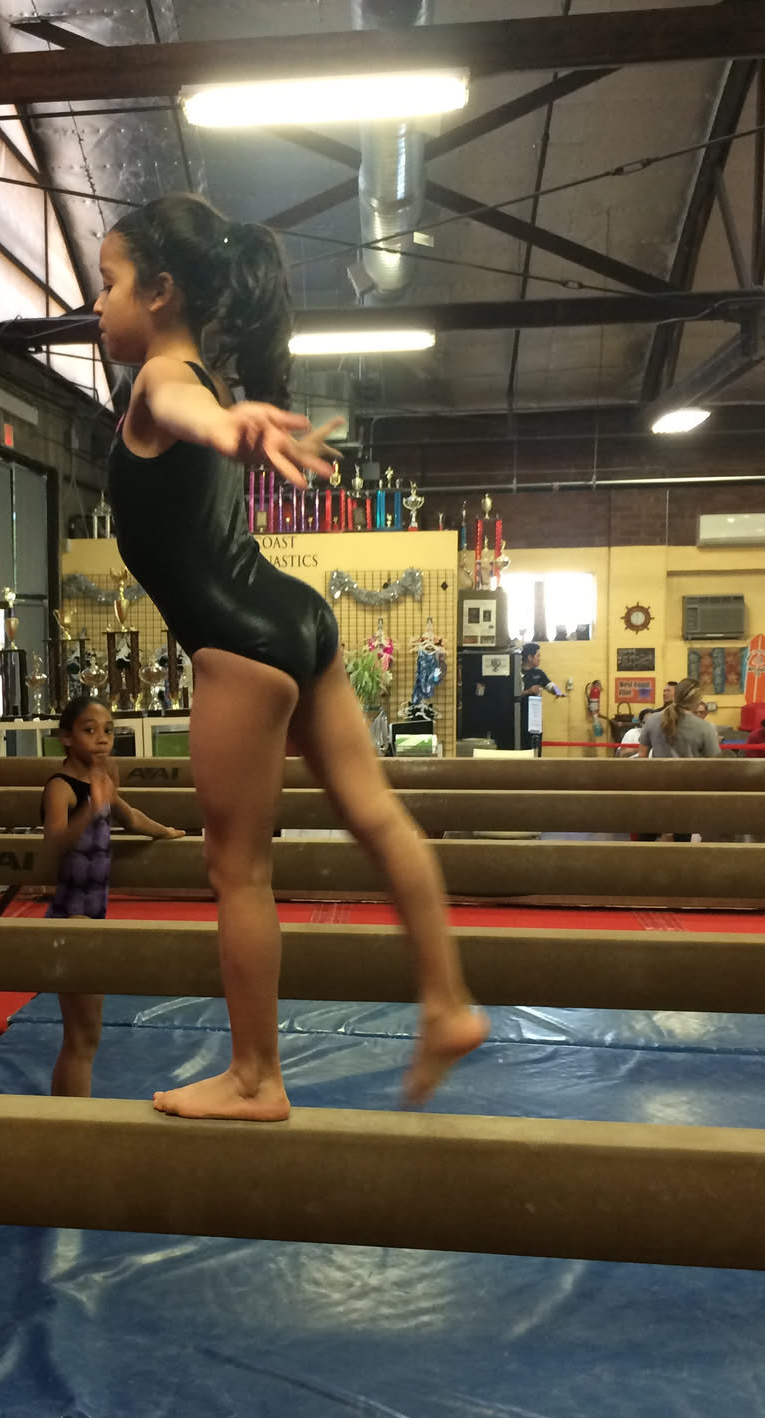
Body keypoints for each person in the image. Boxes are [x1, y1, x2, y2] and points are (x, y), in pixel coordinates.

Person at [96, 192, 486, 1119]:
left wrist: (226, 427)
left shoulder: (165, 378)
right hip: (295, 617)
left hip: (236, 641)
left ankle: (255, 1078)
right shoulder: (199, 379)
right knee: (376, 814)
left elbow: (182, 407)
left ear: (160, 291)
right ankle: (447, 1002)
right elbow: (199, 413)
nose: (97, 304)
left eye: (109, 283)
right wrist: (228, 423)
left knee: (238, 872)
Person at [39, 697, 184, 1098]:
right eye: (89, 730)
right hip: (71, 919)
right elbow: (54, 844)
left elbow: (131, 817)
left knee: (85, 1037)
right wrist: (92, 807)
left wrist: (167, 832)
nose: (102, 738)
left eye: (108, 730)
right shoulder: (61, 788)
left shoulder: (98, 785)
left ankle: (69, 1116)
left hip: (91, 917)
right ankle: (71, 1120)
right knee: (81, 1038)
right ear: (66, 738)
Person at [637, 679, 721, 758]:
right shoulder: (705, 727)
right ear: (698, 700)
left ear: (675, 695)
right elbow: (712, 764)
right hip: (690, 769)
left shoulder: (652, 720)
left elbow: (642, 757)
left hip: (657, 769)